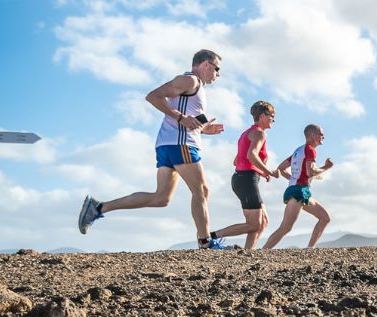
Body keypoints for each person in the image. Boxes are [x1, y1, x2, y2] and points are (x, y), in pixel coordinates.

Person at [78, 49, 227, 249]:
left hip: (169, 143)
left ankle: (97, 208)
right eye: (217, 69)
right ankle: (205, 242)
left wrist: (203, 128)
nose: (217, 74)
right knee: (201, 190)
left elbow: (187, 115)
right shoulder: (190, 81)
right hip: (180, 144)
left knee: (161, 198)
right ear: (206, 64)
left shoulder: (195, 87)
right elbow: (153, 96)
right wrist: (181, 119)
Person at [209, 100, 278, 250]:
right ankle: (210, 238)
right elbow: (252, 155)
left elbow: (237, 161)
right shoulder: (259, 133)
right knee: (254, 224)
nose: (274, 119)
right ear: (262, 116)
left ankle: (247, 254)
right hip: (246, 180)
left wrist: (261, 172)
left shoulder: (247, 133)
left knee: (263, 221)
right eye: (272, 116)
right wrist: (268, 171)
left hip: (243, 178)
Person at [262, 124, 333, 249]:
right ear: (312, 135)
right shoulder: (310, 150)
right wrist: (326, 167)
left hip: (302, 190)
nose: (323, 137)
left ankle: (310, 248)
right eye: (321, 134)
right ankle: (262, 251)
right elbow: (311, 171)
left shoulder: (298, 151)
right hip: (298, 191)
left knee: (324, 218)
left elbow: (281, 168)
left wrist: (294, 178)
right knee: (285, 227)